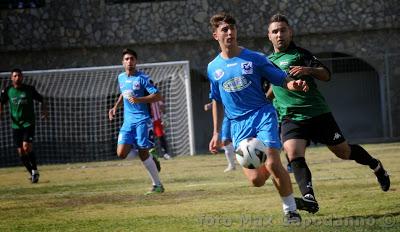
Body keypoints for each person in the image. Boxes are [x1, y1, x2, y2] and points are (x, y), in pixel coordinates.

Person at [266, 13, 390, 213]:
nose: (279, 34)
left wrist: (308, 70)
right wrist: (265, 100)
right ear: (269, 36)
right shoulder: (267, 61)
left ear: (290, 32)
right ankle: (309, 198)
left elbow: (326, 74)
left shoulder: (301, 54)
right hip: (290, 117)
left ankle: (376, 165)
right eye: (275, 31)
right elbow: (275, 85)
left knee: (344, 152)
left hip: (317, 114)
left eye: (283, 30)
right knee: (293, 153)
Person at [207, 12, 309, 223]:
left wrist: (294, 84)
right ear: (215, 35)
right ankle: (283, 184)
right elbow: (216, 100)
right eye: (224, 29)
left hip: (262, 115)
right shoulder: (212, 68)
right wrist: (216, 132)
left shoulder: (254, 58)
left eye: (232, 28)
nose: (229, 32)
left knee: (272, 163)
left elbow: (282, 79)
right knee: (256, 180)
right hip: (238, 126)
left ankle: (290, 210)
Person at [108, 48, 164, 195]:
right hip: (128, 122)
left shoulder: (143, 78)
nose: (129, 62)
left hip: (142, 120)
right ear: (122, 62)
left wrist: (140, 99)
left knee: (142, 153)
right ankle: (151, 157)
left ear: (136, 61)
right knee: (121, 153)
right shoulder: (121, 78)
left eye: (132, 59)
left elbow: (158, 96)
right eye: (126, 59)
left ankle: (157, 185)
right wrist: (115, 107)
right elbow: (124, 94)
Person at [0, 68, 48, 183]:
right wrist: (0, 112)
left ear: (22, 77)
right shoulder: (7, 90)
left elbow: (42, 99)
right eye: (15, 76)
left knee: (26, 146)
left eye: (19, 76)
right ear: (11, 78)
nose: (18, 78)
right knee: (21, 151)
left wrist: (44, 110)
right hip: (16, 126)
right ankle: (33, 172)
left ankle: (34, 170)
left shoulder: (29, 89)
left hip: (28, 123)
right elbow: (1, 102)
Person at [204, 102, 236, 172]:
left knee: (238, 142)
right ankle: (232, 165)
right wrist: (212, 104)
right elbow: (219, 99)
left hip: (237, 117)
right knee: (225, 142)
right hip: (225, 119)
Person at [148, 82, 171, 160]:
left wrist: (164, 117)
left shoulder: (156, 94)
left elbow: (161, 106)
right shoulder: (143, 94)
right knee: (149, 138)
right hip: (148, 120)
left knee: (161, 136)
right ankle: (151, 155)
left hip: (157, 120)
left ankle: (165, 153)